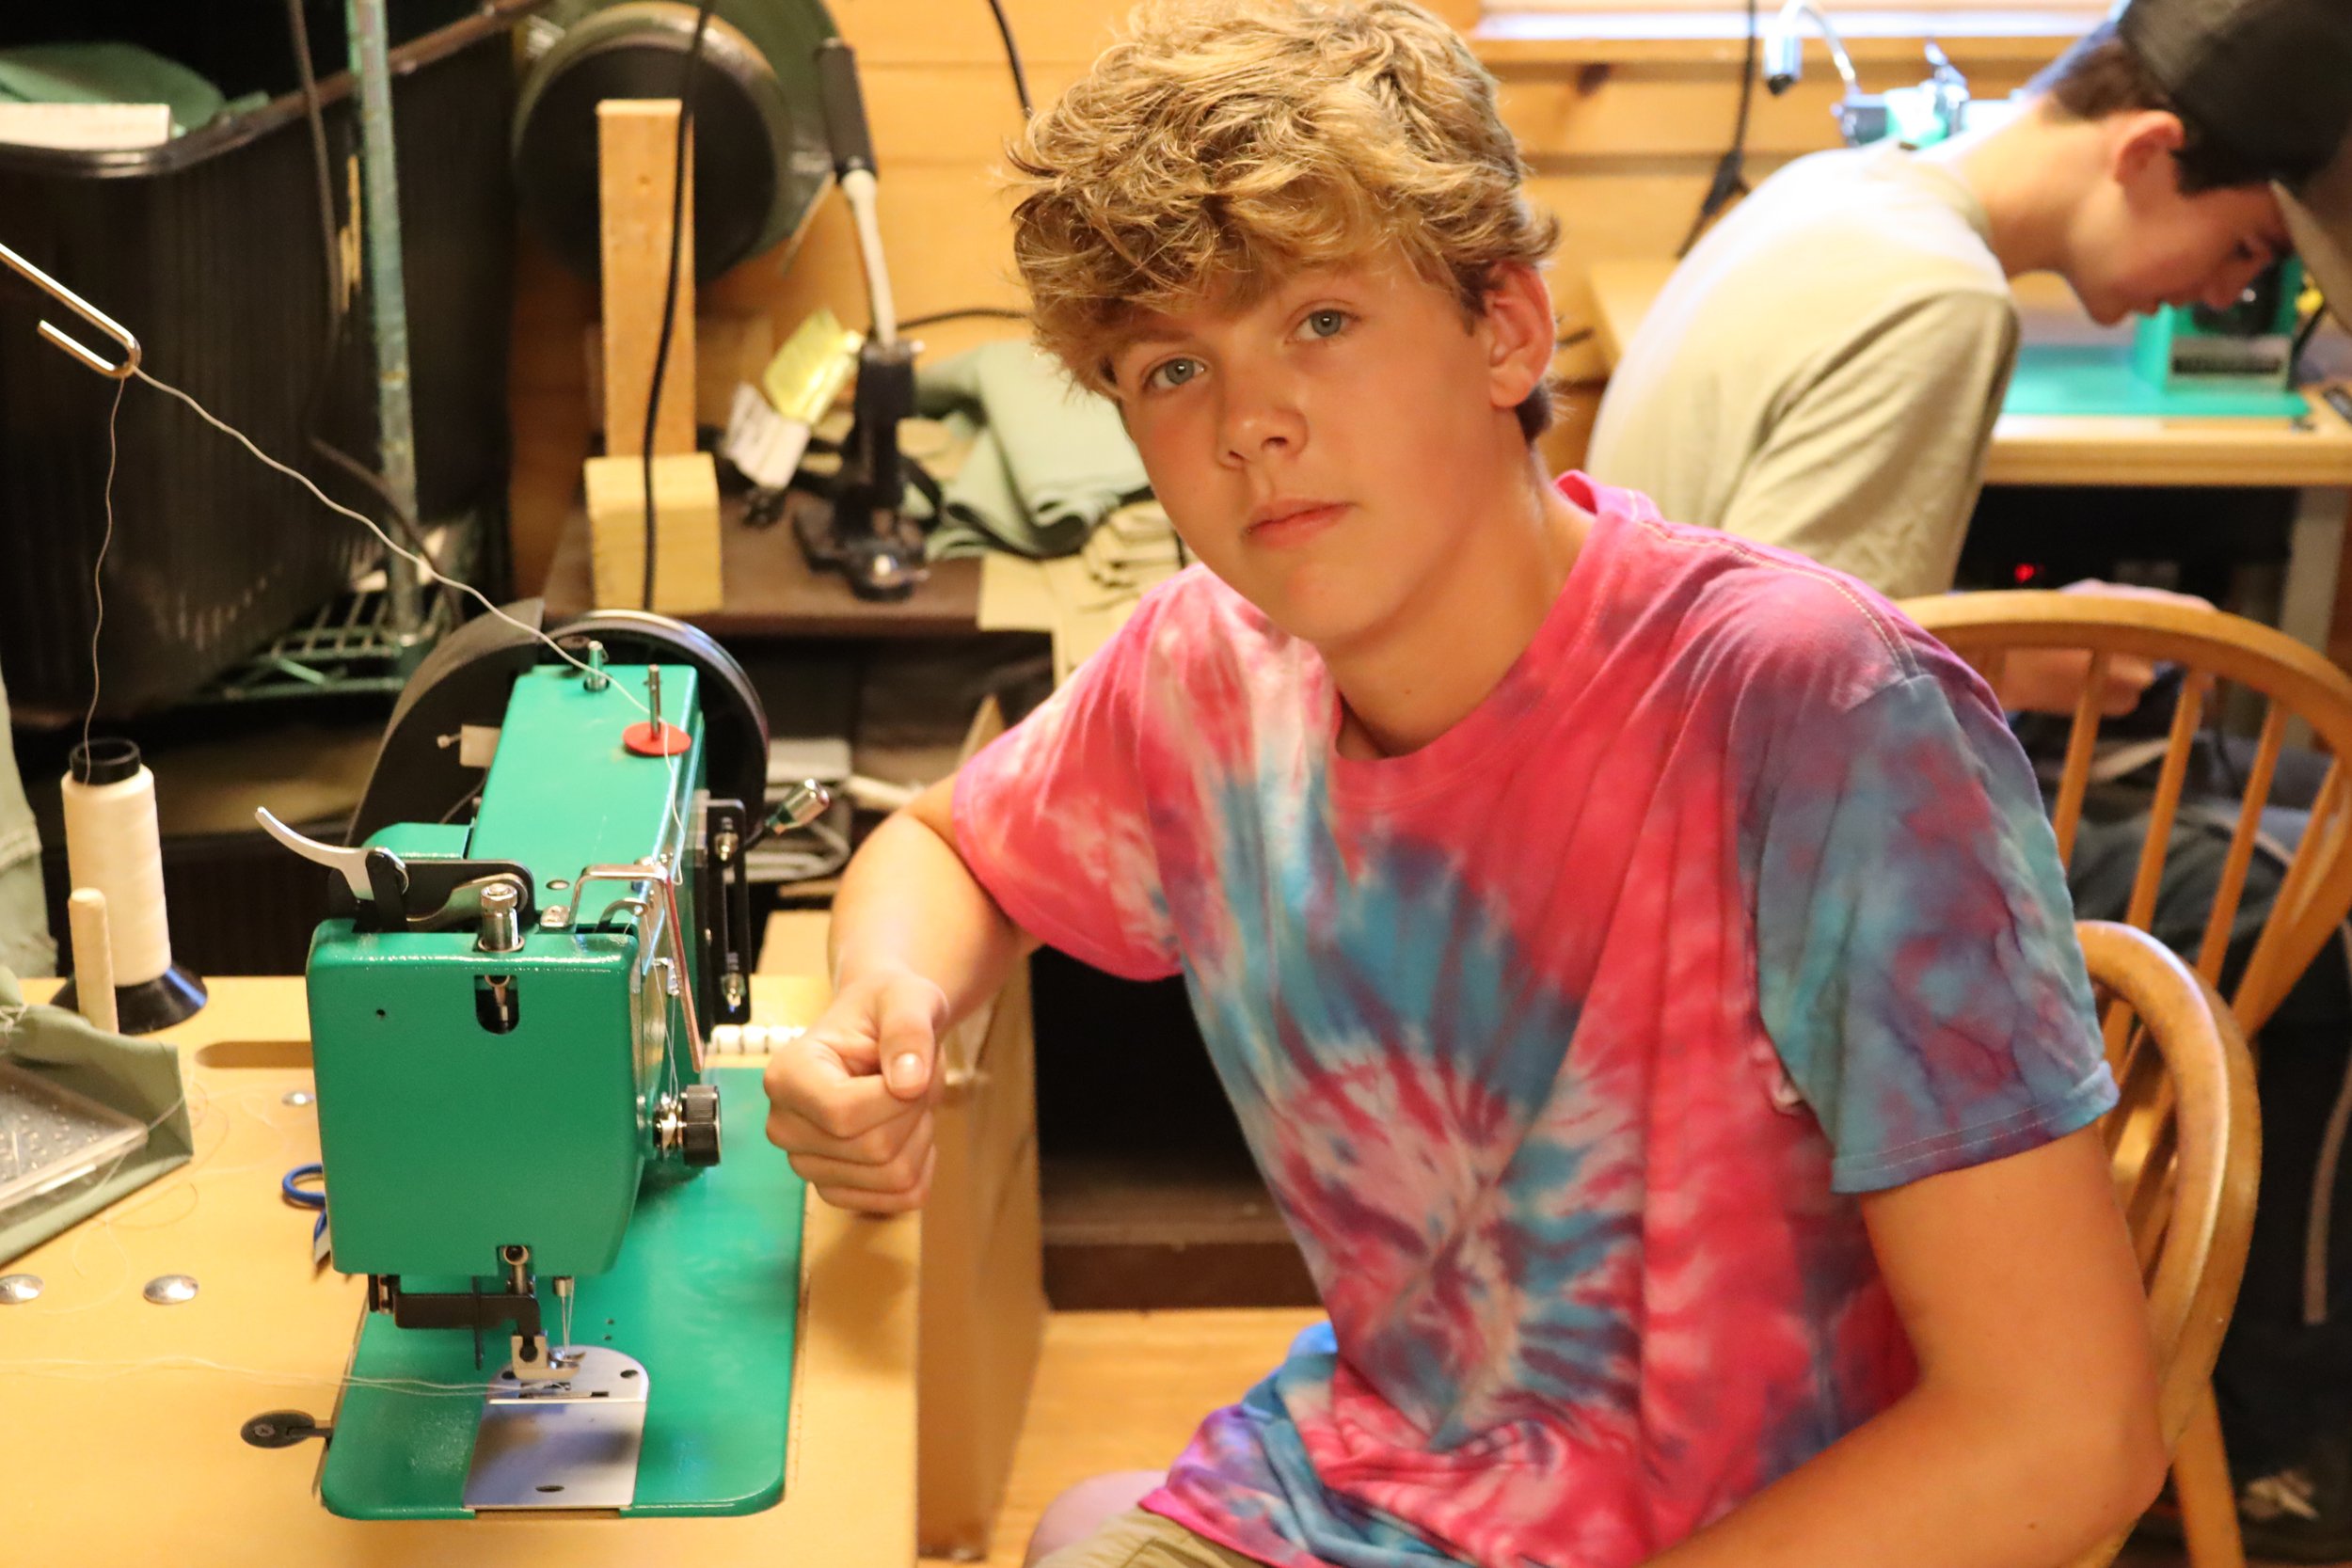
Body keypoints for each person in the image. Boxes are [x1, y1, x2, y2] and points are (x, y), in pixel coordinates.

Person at [761, 5, 2163, 1566]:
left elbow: (2066, 1437)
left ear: (1507, 329)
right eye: (1170, 367)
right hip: (1371, 1490)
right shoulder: (1210, 667)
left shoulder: (1819, 711)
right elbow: (946, 846)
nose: (1249, 425)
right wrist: (881, 1008)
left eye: (1320, 321)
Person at [1587, 2, 2352, 1552]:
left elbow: (1773, 616)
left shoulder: (1837, 194)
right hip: (1741, 889)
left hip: (1644, 810)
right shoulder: (1941, 301)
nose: (2238, 294)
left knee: (2235, 809)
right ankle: (2261, 1450)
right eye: (2253, 251)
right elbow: (1801, 714)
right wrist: (2021, 666)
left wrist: (2032, 661)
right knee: (2315, 924)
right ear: (2148, 151)